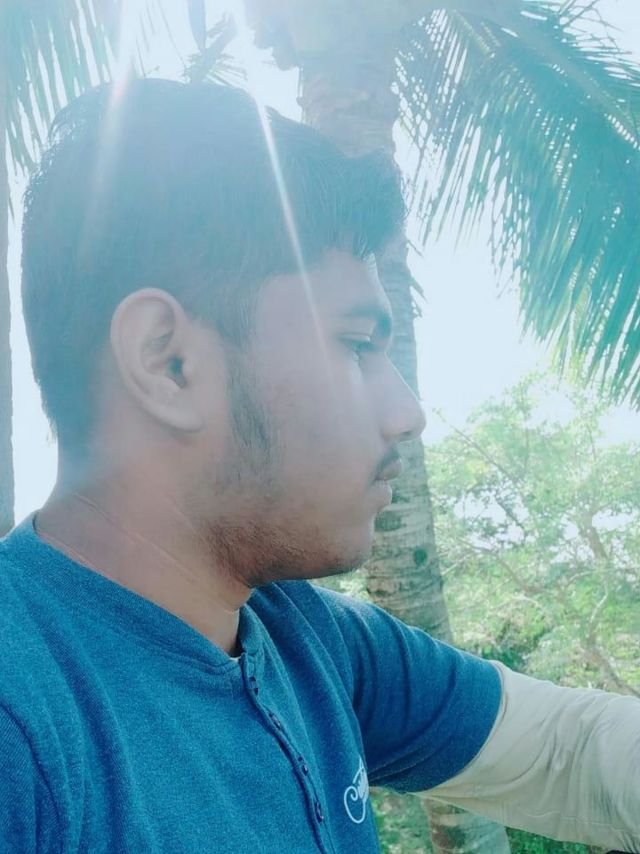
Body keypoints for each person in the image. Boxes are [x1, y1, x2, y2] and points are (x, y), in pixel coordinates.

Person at [1, 78, 638, 853]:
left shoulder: (303, 634)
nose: (406, 413)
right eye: (357, 344)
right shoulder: (23, 725)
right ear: (168, 362)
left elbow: (573, 751)